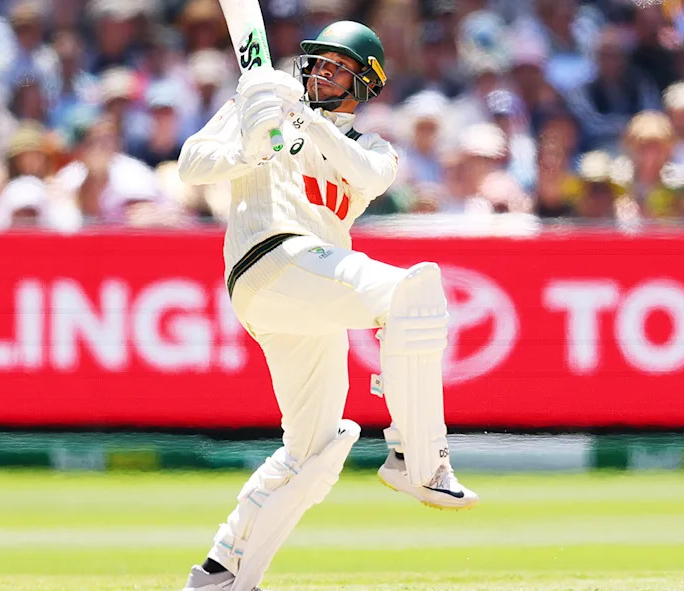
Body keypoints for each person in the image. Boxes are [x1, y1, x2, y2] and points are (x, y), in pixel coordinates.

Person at [177, 20, 478, 591]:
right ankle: (420, 461)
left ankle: (222, 574)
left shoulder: (373, 148)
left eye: (337, 68)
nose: (319, 74)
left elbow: (364, 173)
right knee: (412, 293)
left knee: (314, 452)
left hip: (307, 290)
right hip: (271, 257)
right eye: (317, 63)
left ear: (363, 86)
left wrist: (299, 121)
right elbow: (193, 163)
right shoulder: (258, 100)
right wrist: (251, 141)